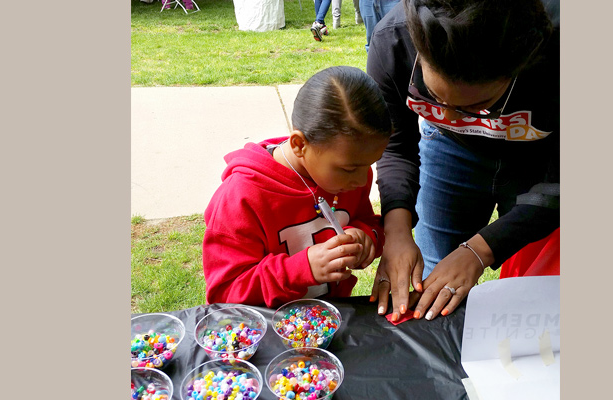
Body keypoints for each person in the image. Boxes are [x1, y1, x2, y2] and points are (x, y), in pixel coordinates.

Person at [366, 0, 560, 322]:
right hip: (449, 154)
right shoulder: (393, 41)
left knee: (531, 295)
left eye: (478, 105)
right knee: (433, 284)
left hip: (540, 162)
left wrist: (479, 251)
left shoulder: (558, 47)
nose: (450, 116)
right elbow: (396, 146)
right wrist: (397, 231)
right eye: (436, 98)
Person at [202, 66, 392, 308]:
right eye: (349, 169)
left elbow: (368, 221)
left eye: (369, 165)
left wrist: (366, 237)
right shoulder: (241, 196)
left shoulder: (349, 175)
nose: (362, 181)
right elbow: (224, 292)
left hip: (329, 323)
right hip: (266, 331)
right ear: (299, 144)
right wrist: (301, 269)